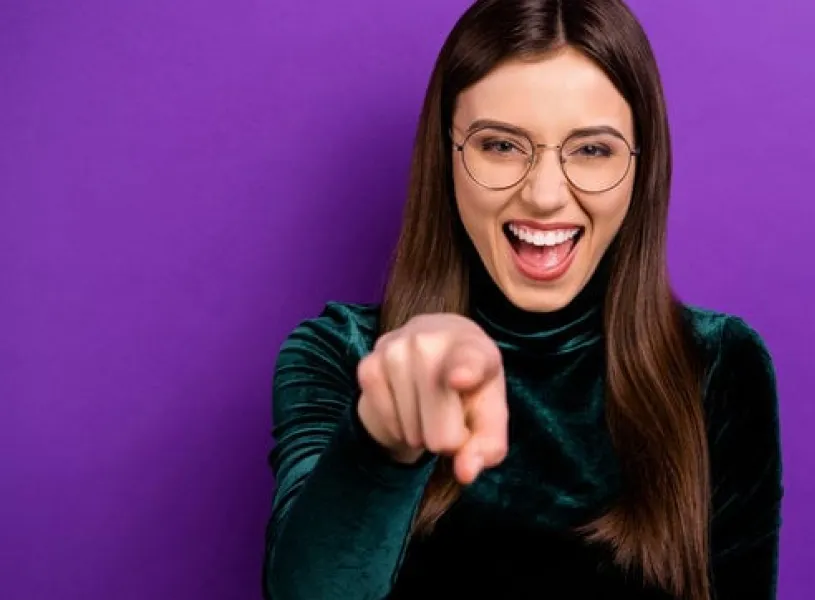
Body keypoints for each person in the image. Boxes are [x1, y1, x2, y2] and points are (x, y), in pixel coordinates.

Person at [262, 0, 783, 598]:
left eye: (592, 150)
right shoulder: (335, 355)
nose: (543, 196)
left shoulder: (719, 366)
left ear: (642, 167)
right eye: (501, 145)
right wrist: (383, 440)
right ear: (447, 155)